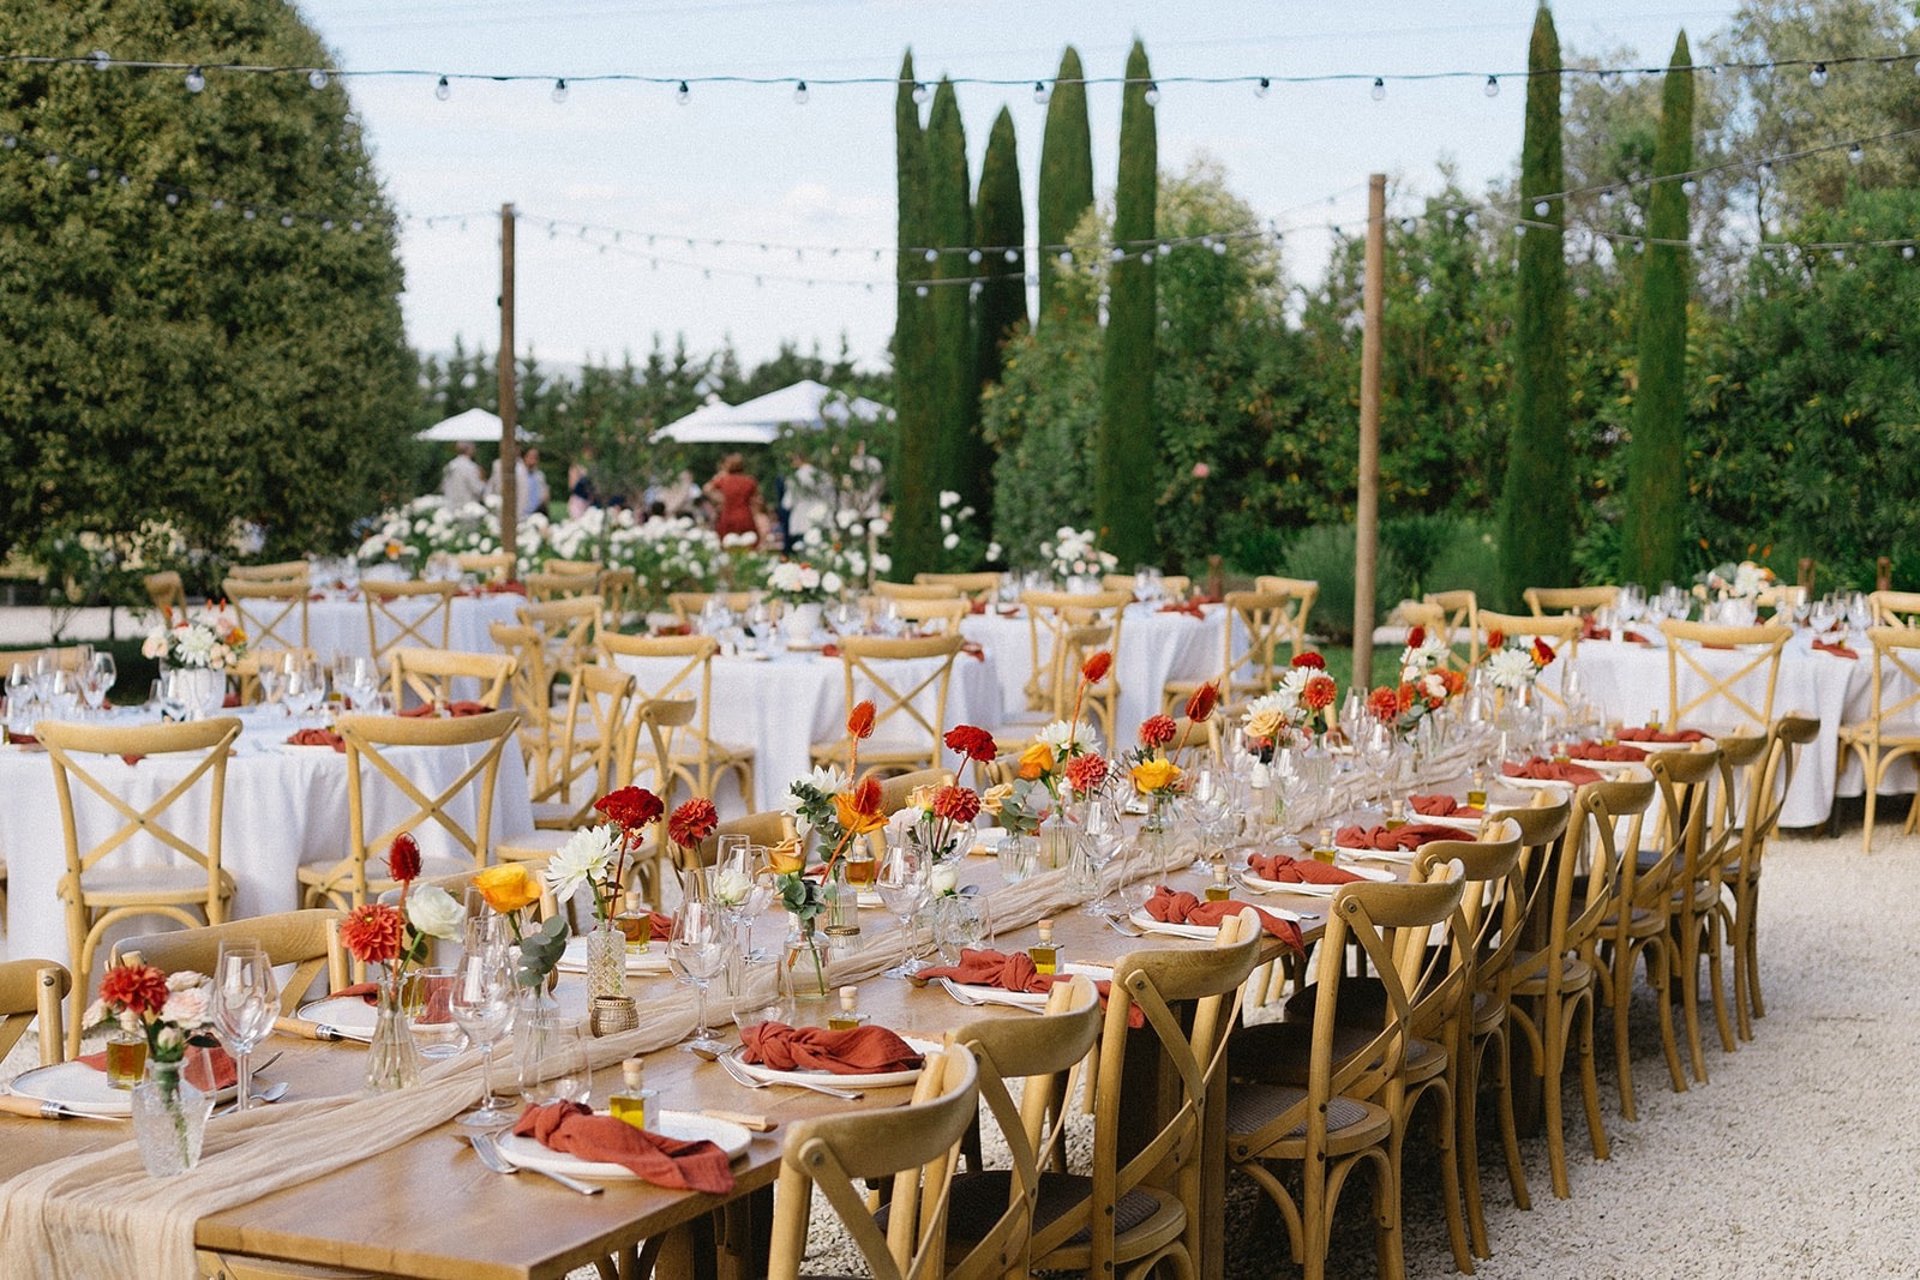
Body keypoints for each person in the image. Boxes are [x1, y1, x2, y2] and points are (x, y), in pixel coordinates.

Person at [704, 453, 764, 546]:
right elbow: (759, 500)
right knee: (749, 543)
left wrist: (719, 499)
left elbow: (707, 489)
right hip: (745, 515)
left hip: (728, 515)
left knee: (727, 543)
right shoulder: (749, 480)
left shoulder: (724, 479)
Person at [441, 442, 486, 507]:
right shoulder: (471, 467)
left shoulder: (449, 466)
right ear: (469, 450)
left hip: (450, 506)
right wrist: (483, 480)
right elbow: (477, 489)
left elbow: (443, 488)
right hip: (467, 508)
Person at [522, 447, 551, 516]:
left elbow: (545, 494)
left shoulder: (540, 475)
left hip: (537, 512)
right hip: (522, 513)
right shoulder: (518, 474)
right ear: (524, 458)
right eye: (530, 456)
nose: (533, 459)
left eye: (536, 457)